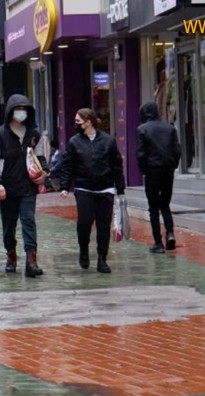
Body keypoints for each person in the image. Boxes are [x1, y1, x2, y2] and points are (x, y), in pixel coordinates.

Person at [0, 94, 47, 278]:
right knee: (9, 225)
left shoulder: (34, 134)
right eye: (17, 109)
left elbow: (41, 158)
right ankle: (11, 255)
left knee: (28, 220)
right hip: (8, 188)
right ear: (10, 111)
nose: (21, 112)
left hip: (28, 186)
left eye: (24, 109)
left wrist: (44, 173)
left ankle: (31, 260)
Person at [59, 108, 126, 274]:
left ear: (89, 122)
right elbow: (68, 165)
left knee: (103, 225)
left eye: (78, 122)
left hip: (105, 189)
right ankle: (83, 249)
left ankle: (102, 258)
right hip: (84, 188)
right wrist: (65, 186)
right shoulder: (74, 142)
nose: (76, 124)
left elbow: (116, 165)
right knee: (85, 221)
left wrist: (120, 188)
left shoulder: (108, 141)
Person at [136, 101, 182, 254]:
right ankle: (170, 233)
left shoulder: (142, 129)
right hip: (167, 171)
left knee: (153, 207)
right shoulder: (169, 128)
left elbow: (141, 154)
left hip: (152, 171)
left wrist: (144, 170)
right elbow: (177, 150)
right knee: (165, 204)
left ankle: (158, 242)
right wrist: (173, 166)